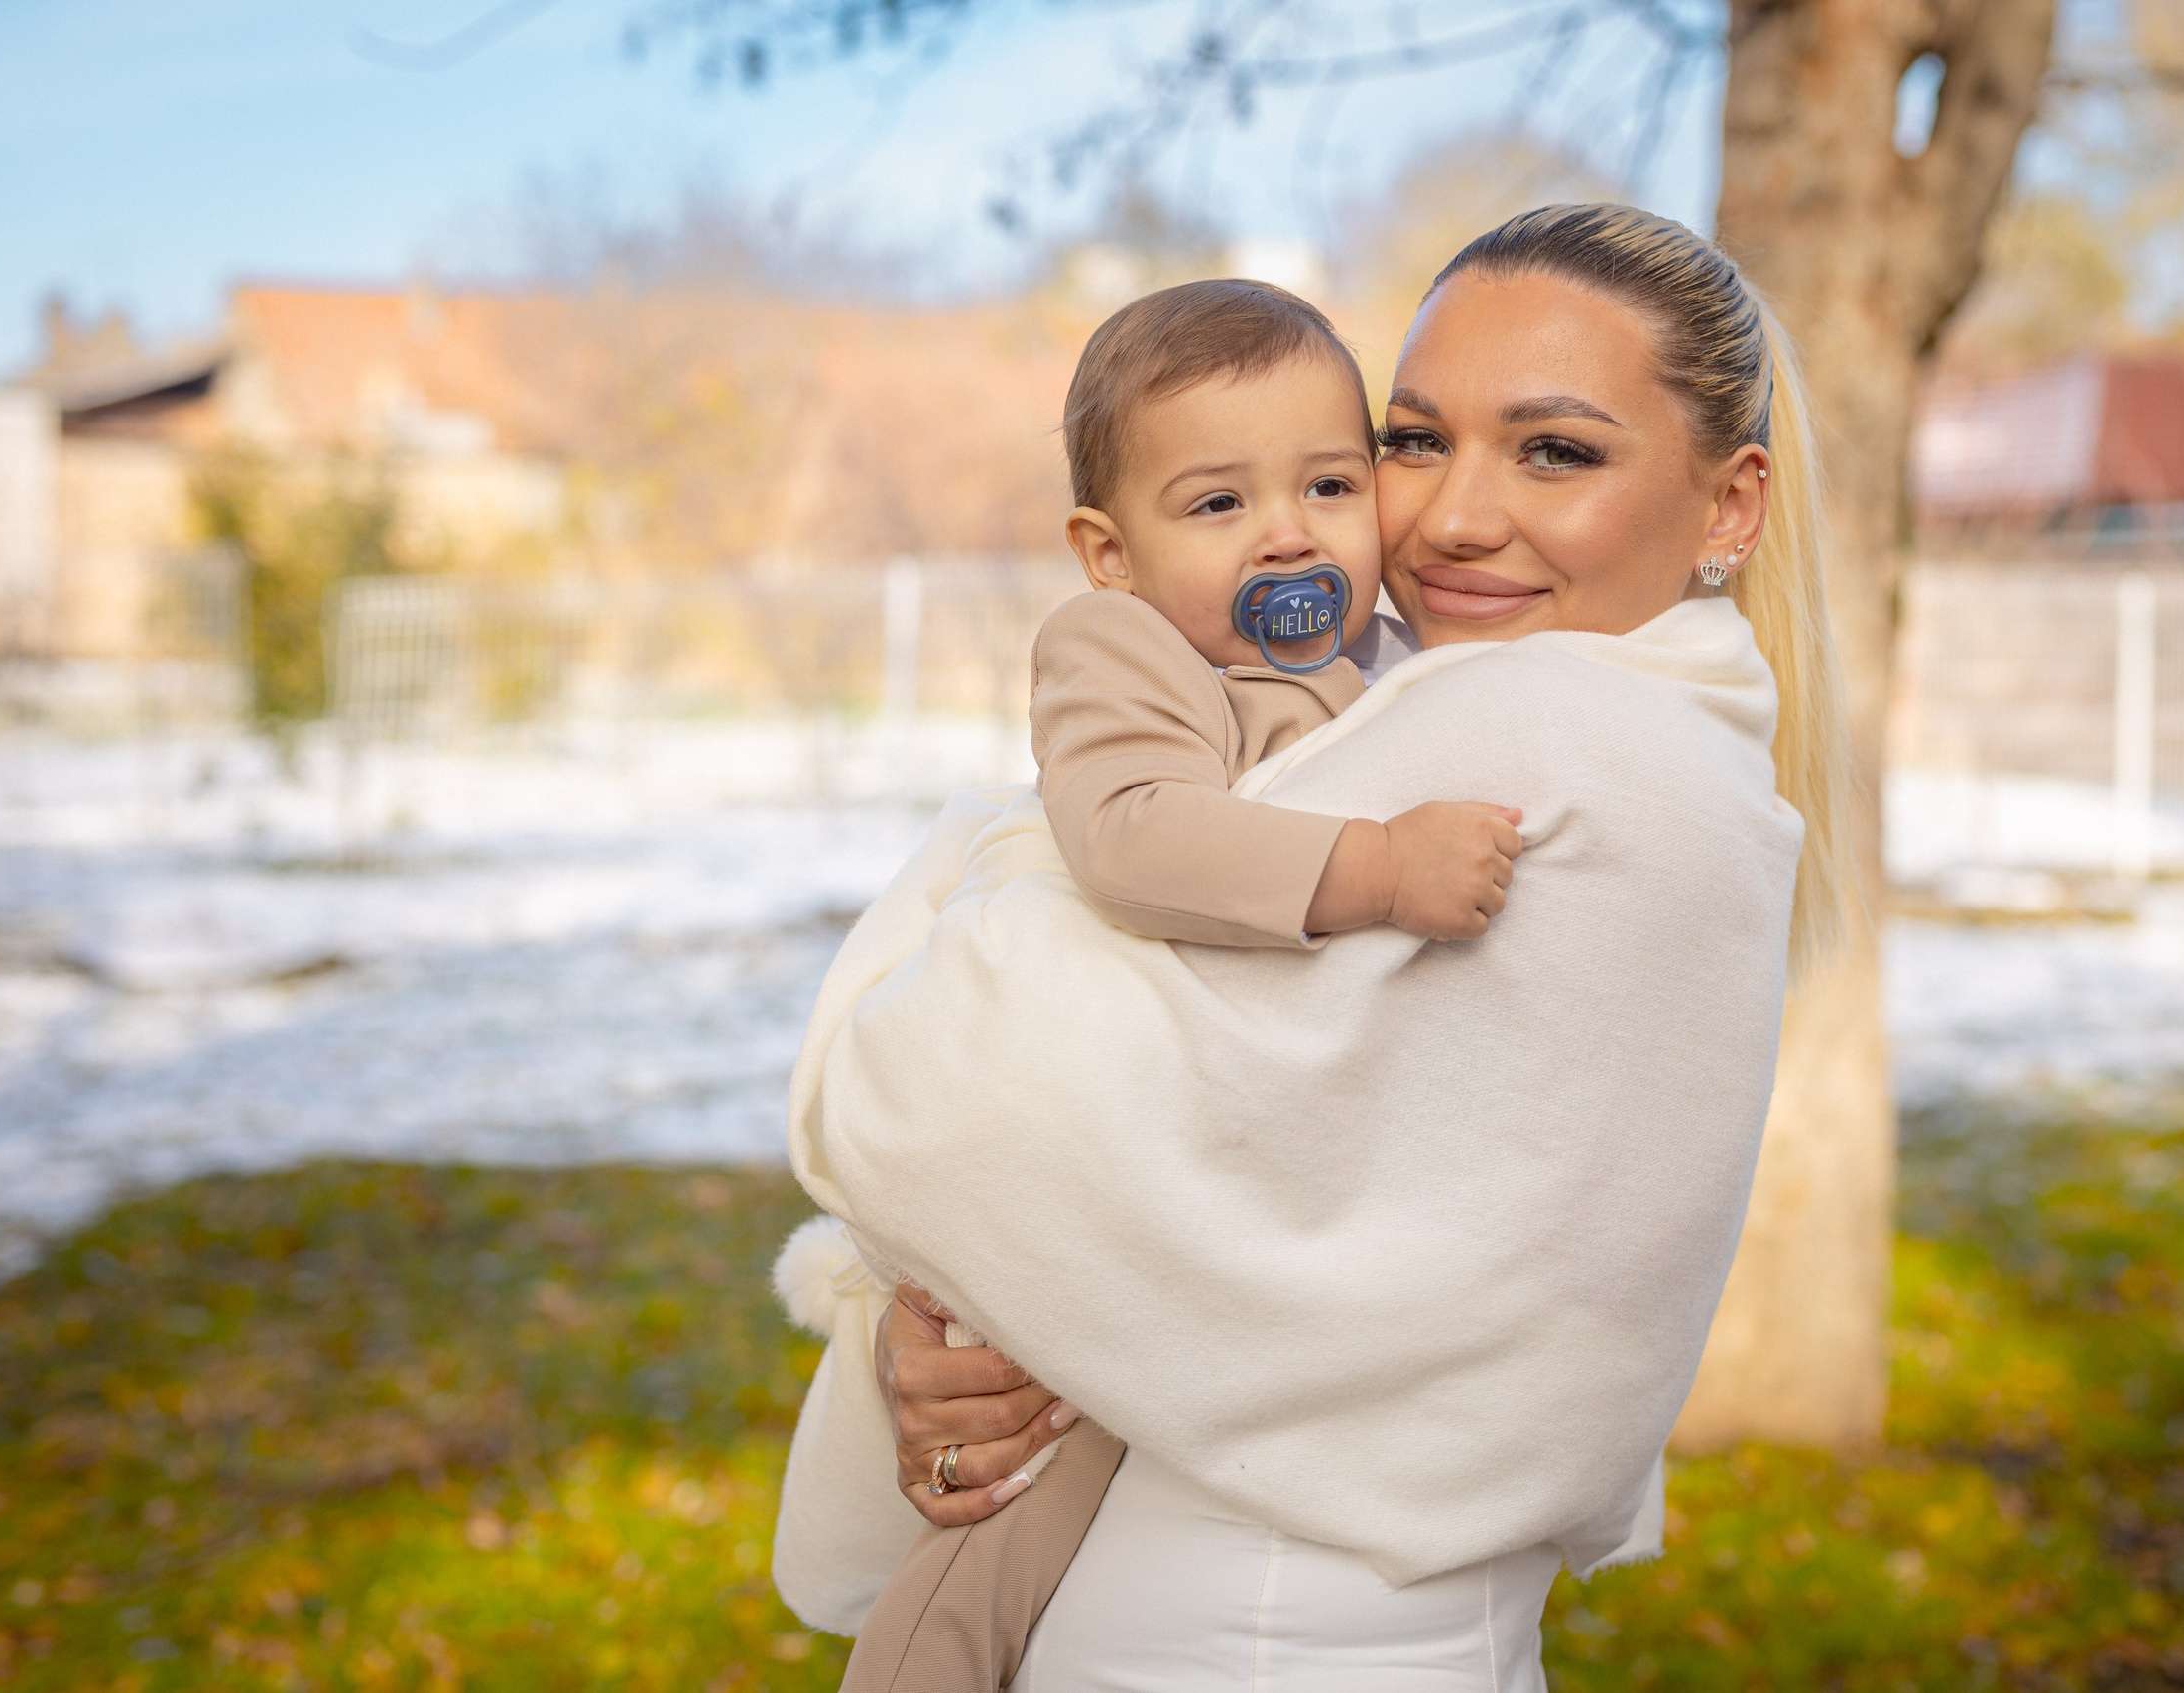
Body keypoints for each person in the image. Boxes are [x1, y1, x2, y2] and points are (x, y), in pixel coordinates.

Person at [791, 201, 1854, 1689]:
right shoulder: (1534, 722)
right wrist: (957, 1330)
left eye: (1556, 452)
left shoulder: (1553, 739)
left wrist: (989, 900)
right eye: (1414, 441)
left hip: (1247, 1635)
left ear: (1731, 504)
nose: (1454, 517)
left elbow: (936, 1088)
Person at [832, 276, 1531, 1689]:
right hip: (1091, 1179)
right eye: (1218, 503)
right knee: (1013, 1511)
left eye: (1330, 484)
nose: (1289, 533)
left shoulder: (1380, 656)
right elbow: (1134, 839)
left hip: (1226, 1198)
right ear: (1110, 552)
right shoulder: (1122, 648)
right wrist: (1379, 866)